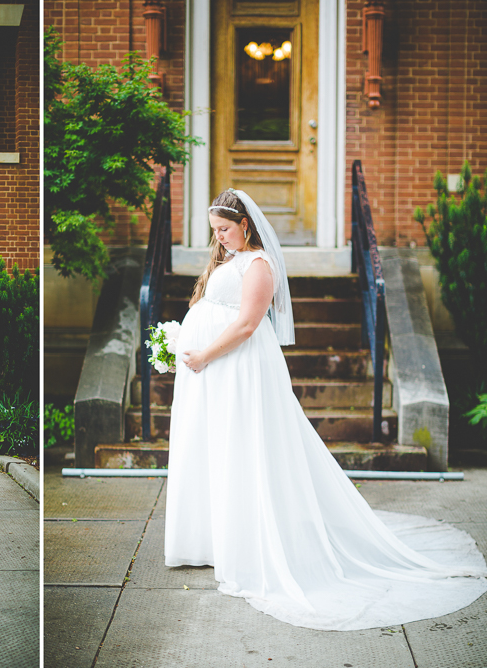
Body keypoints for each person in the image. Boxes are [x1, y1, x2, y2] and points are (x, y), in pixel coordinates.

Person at [164, 188, 487, 630]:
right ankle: (211, 539)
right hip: (214, 371)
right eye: (215, 231)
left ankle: (254, 540)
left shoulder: (258, 264)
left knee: (244, 448)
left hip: (236, 368)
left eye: (224, 229)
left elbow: (246, 324)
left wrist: (203, 355)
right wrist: (181, 342)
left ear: (245, 224)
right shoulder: (226, 258)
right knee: (215, 449)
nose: (219, 238)